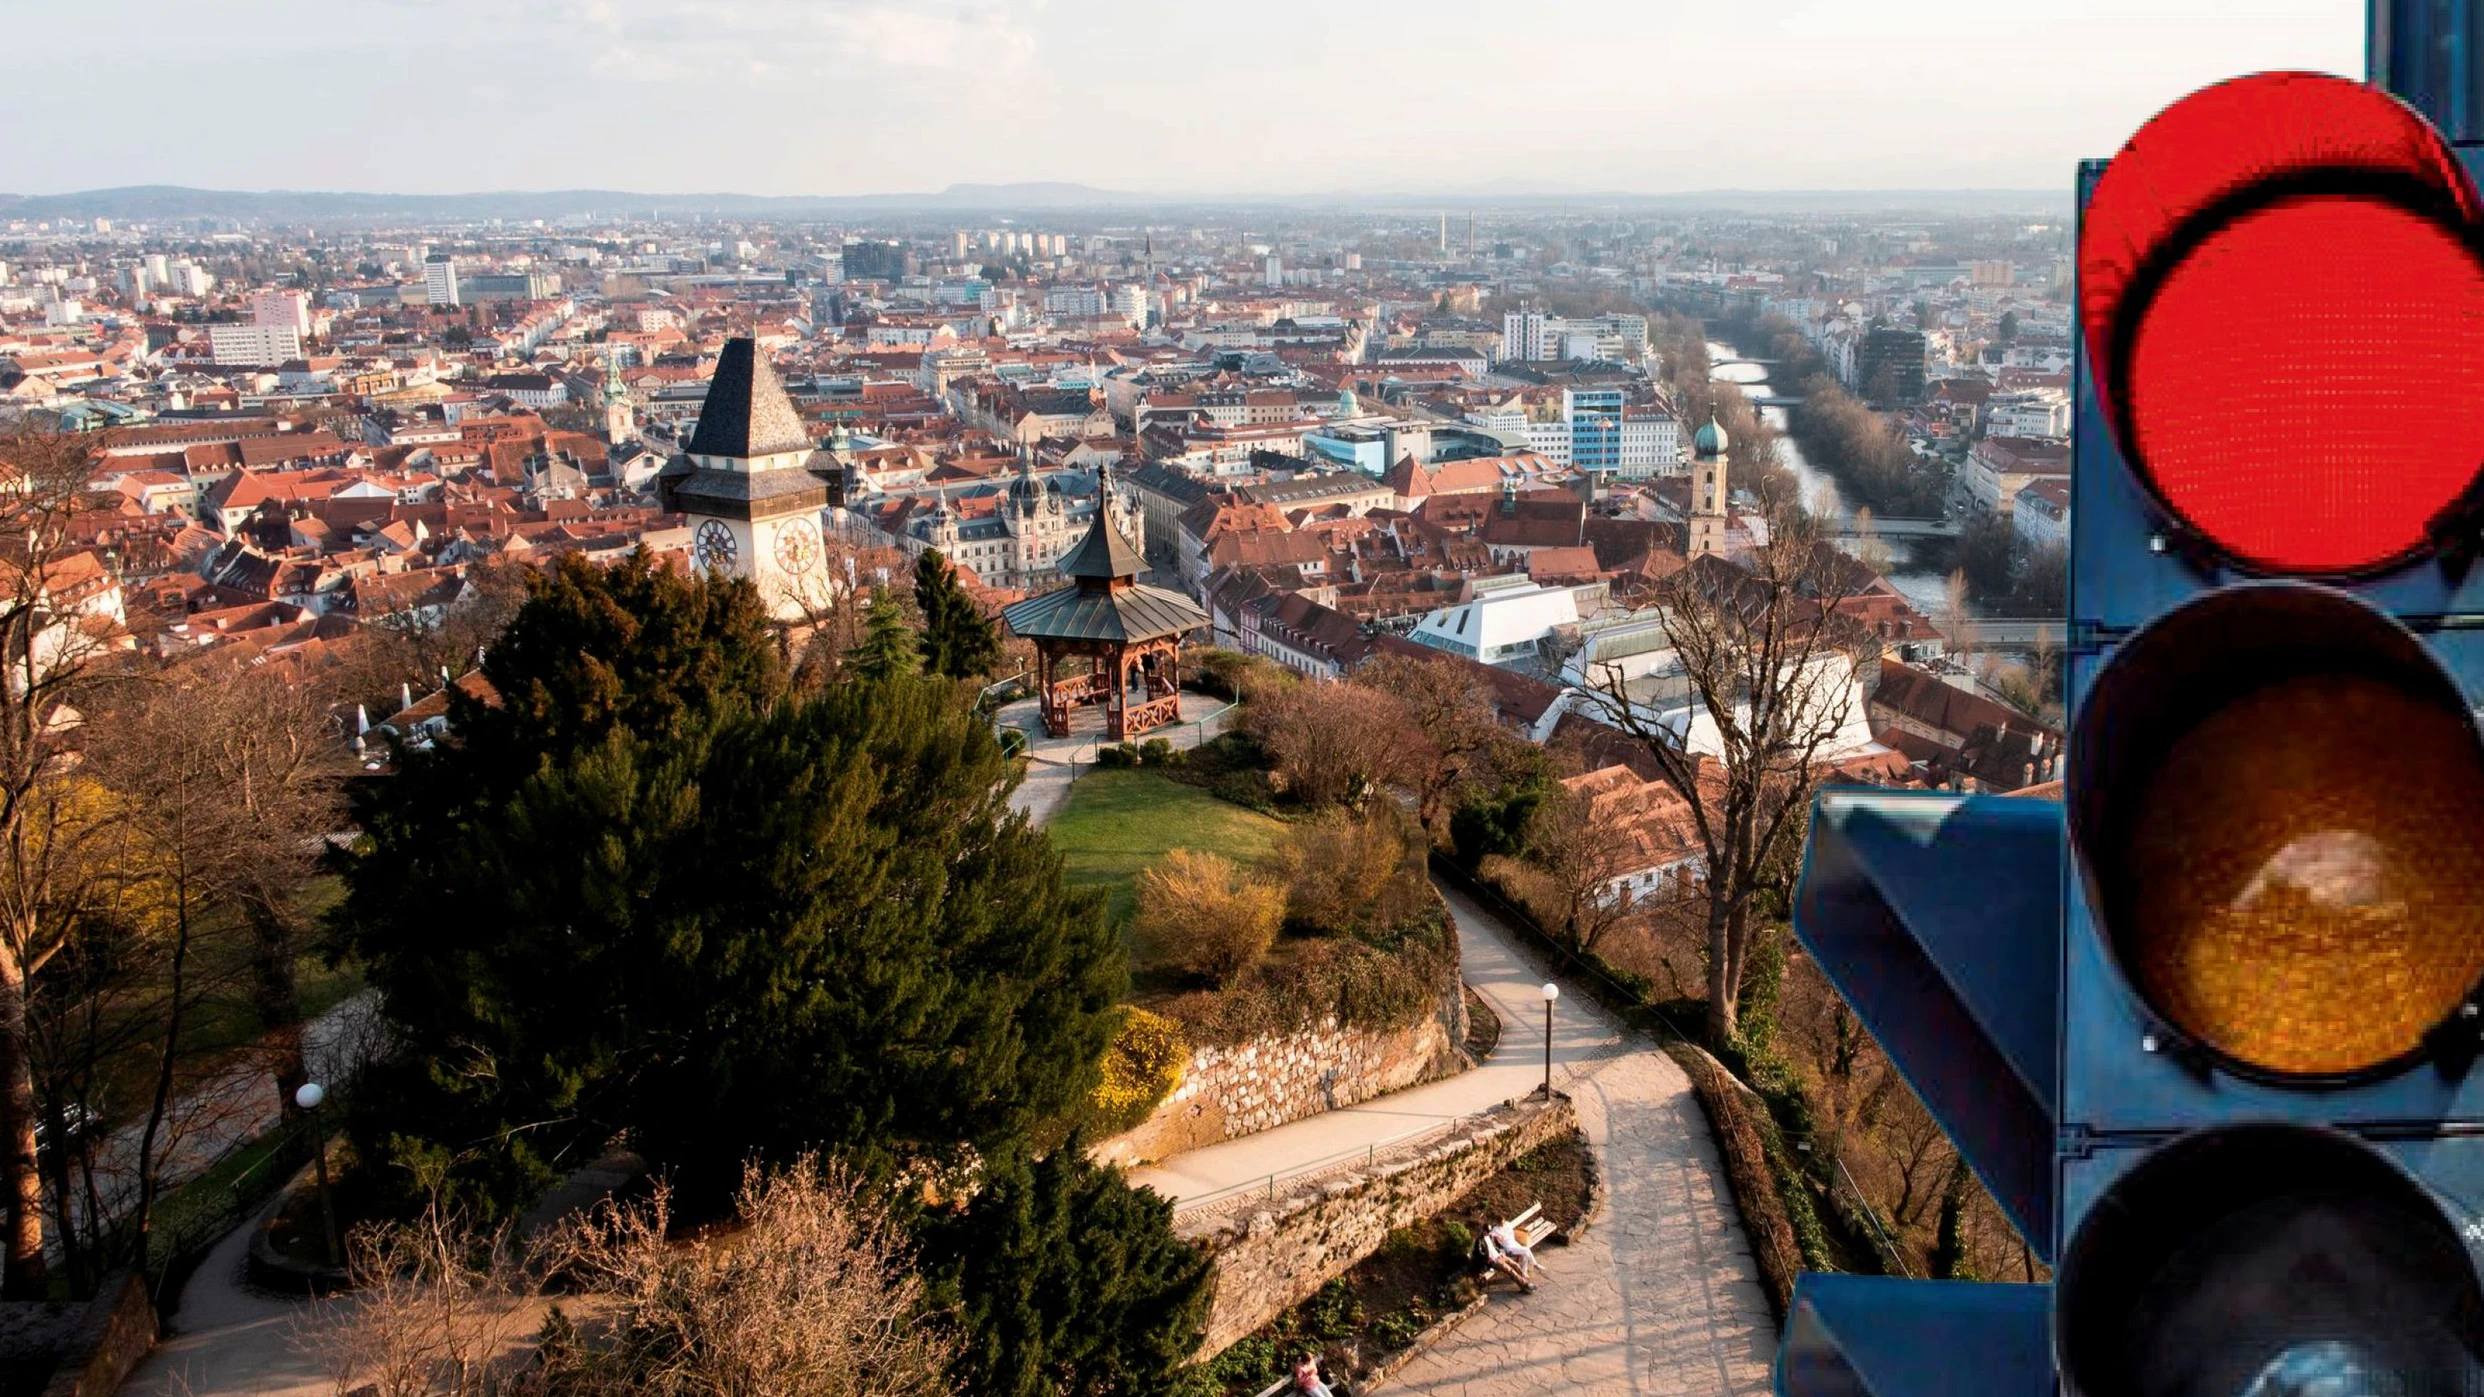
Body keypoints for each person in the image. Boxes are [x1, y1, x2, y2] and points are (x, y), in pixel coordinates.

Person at [1479, 1225, 1534, 1293]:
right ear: (1483, 1230)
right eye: (1487, 1231)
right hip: (1493, 1260)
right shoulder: (1479, 1241)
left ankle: (1525, 1280)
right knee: (1510, 1270)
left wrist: (1500, 1252)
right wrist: (1488, 1258)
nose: (1488, 1233)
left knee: (1515, 1265)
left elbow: (1495, 1247)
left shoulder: (1489, 1237)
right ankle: (1524, 1285)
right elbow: (1480, 1253)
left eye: (1489, 1231)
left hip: (1499, 1256)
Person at [1488, 1220, 1539, 1284]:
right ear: (1497, 1223)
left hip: (1514, 1243)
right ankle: (1535, 1264)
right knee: (1526, 1250)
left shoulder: (1507, 1224)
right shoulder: (1495, 1230)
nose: (1502, 1224)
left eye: (1503, 1222)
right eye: (1500, 1223)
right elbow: (1492, 1237)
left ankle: (1524, 1271)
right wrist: (1496, 1237)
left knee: (1525, 1253)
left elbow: (1512, 1234)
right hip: (1508, 1248)